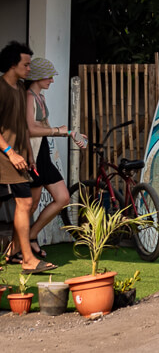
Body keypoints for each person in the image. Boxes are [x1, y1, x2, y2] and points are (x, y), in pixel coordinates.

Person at [0, 41, 57, 273]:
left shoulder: (20, 89)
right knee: (24, 204)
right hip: (6, 160)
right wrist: (10, 152)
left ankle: (19, 255)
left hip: (21, 159)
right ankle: (26, 258)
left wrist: (29, 154)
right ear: (13, 65)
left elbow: (22, 127)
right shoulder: (1, 89)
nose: (30, 68)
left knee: (25, 204)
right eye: (26, 64)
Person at [25, 57, 87, 259]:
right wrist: (60, 132)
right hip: (32, 154)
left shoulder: (40, 96)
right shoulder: (29, 97)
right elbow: (31, 129)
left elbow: (45, 127)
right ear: (38, 76)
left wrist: (71, 133)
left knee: (62, 197)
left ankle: (31, 236)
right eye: (49, 76)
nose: (52, 80)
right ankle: (19, 249)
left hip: (43, 153)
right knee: (31, 205)